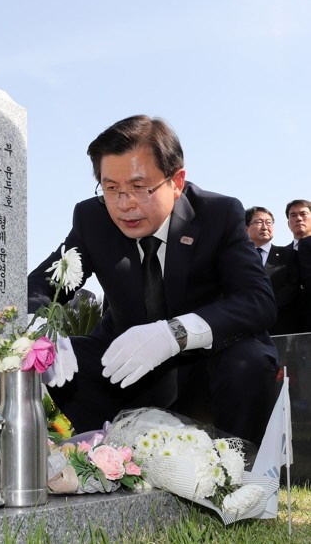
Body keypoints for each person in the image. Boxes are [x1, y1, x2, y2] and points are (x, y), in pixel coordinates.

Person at [28, 115, 278, 446]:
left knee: (248, 360)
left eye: (140, 187)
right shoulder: (93, 219)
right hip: (125, 370)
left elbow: (257, 301)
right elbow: (40, 286)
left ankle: (238, 474)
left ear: (176, 181)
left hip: (206, 369)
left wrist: (174, 333)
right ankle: (112, 460)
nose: (124, 204)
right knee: (56, 359)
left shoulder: (219, 214)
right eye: (111, 188)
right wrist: (43, 335)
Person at [245, 206, 301, 335]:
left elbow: (292, 286)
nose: (265, 227)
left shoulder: (289, 255)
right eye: (259, 222)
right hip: (247, 327)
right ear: (246, 228)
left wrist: (266, 306)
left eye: (269, 222)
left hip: (281, 327)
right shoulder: (237, 259)